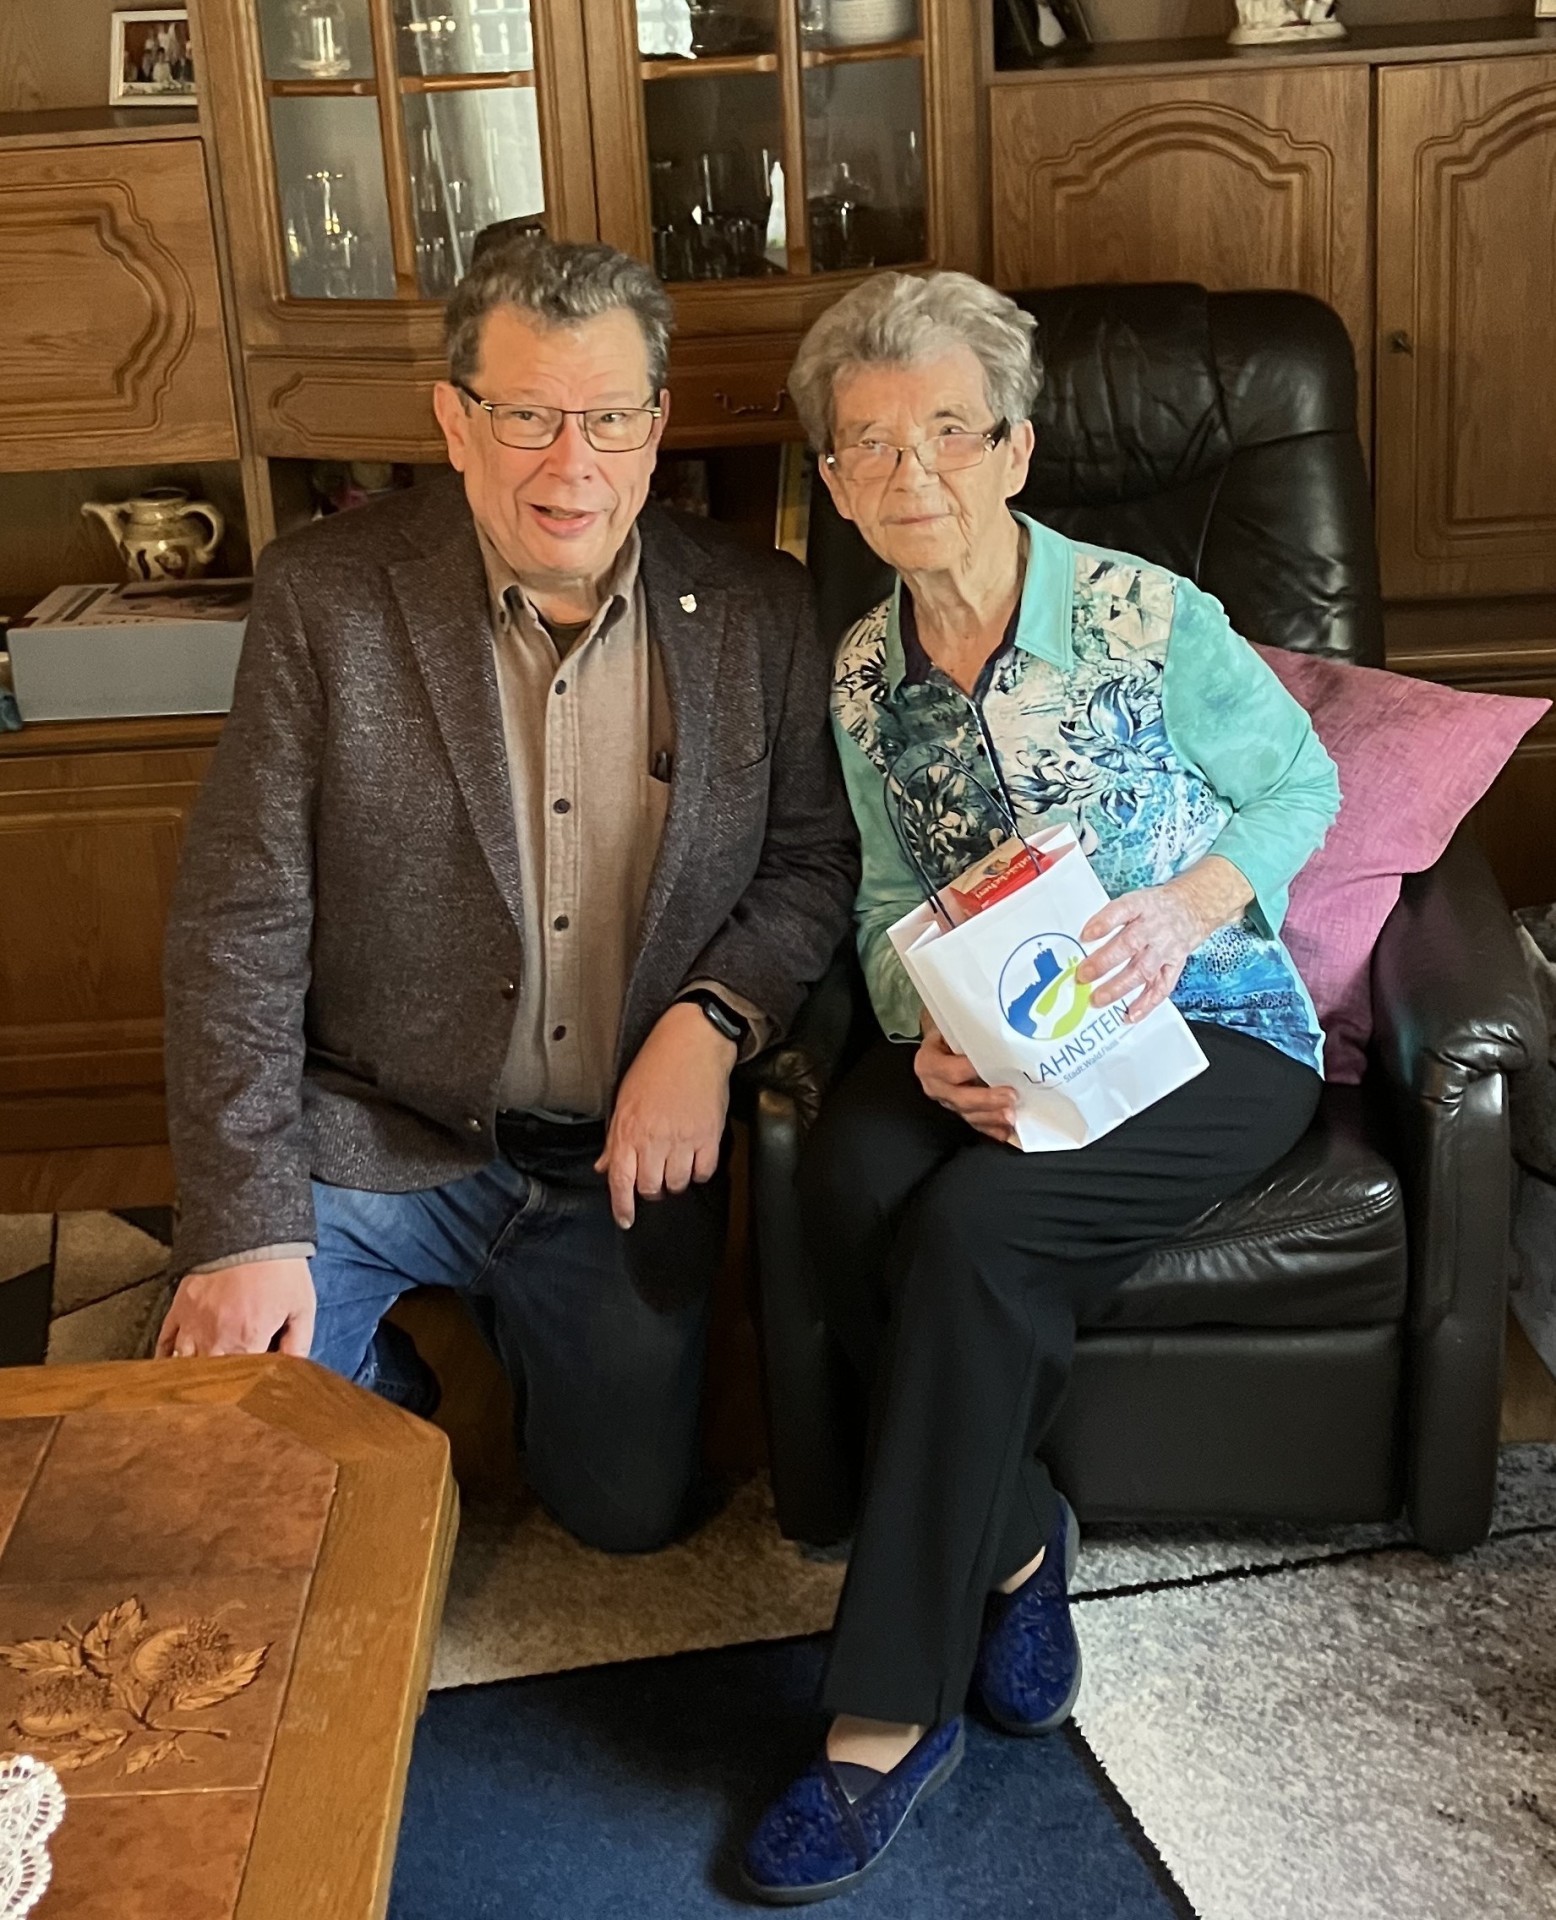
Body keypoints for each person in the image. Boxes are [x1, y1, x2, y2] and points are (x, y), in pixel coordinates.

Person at [740, 270, 1340, 1901]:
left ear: (1014, 447)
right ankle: (1017, 1541)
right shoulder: (862, 676)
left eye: (947, 431)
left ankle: (885, 1710)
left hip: (1204, 1026)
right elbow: (877, 899)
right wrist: (914, 1023)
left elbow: (1302, 784)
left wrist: (1185, 906)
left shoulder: (1147, 617)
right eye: (867, 446)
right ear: (835, 480)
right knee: (847, 1176)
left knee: (977, 1236)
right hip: (995, 1026)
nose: (908, 472)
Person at [156, 231, 857, 1556]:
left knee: (625, 1515)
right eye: (526, 413)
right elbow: (236, 927)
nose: (570, 462)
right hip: (378, 1131)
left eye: (604, 416)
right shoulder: (326, 598)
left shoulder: (763, 613)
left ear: (655, 425)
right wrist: (238, 1234)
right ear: (455, 421)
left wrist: (711, 1021)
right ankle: (388, 1378)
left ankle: (500, 1362)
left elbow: (813, 859)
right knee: (236, 1451)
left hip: (615, 1160)